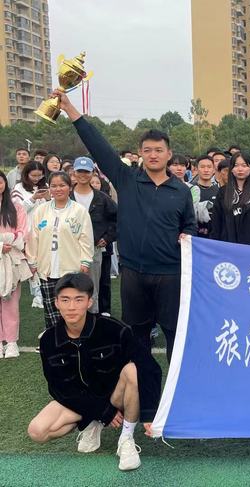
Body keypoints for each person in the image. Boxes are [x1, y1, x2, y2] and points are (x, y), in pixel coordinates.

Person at [54, 88, 196, 371]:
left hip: (170, 274)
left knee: (174, 333)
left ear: (169, 154)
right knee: (137, 335)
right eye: (148, 150)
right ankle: (143, 389)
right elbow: (98, 145)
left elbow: (189, 224)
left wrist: (187, 234)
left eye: (159, 150)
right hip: (133, 273)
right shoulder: (126, 179)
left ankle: (175, 390)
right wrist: (70, 109)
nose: (153, 155)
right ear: (140, 153)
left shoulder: (181, 191)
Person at [28, 273, 145, 471]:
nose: (71, 307)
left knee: (133, 370)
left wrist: (149, 413)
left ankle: (126, 439)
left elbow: (147, 366)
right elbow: (57, 389)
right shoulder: (48, 339)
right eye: (65, 300)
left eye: (78, 299)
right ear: (56, 303)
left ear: (89, 302)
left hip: (115, 396)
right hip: (83, 401)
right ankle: (92, 423)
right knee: (37, 431)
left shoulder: (112, 328)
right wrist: (100, 412)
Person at [26, 171, 94, 330]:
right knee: (51, 310)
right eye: (54, 186)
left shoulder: (79, 211)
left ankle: (75, 339)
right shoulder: (41, 210)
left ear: (70, 187)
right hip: (46, 269)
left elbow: (86, 238)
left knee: (72, 310)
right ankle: (54, 340)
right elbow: (33, 238)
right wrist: (32, 261)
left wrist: (85, 261)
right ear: (49, 188)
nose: (58, 189)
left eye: (62, 185)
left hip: (71, 269)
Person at [70, 157, 118, 316]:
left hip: (94, 250)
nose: (83, 175)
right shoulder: (67, 196)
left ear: (93, 173)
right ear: (74, 173)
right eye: (79, 171)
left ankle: (93, 319)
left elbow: (118, 219)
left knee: (93, 287)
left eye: (87, 171)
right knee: (69, 287)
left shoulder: (102, 198)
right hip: (69, 249)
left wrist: (107, 237)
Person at [10, 161, 50, 309]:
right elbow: (17, 210)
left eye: (40, 175)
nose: (37, 178)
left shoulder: (45, 186)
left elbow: (53, 207)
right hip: (27, 231)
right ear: (26, 174)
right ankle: (37, 295)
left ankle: (43, 292)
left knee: (43, 262)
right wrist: (33, 198)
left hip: (45, 231)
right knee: (31, 264)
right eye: (34, 175)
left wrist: (48, 198)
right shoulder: (18, 188)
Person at [0, 170, 30, 358]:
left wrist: (9, 240)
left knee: (10, 301)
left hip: (12, 259)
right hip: (4, 251)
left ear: (5, 183)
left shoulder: (15, 207)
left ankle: (11, 342)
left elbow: (23, 232)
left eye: (0, 182)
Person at [192, 155, 219, 237]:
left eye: (209, 167)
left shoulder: (219, 191)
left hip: (214, 236)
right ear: (196, 169)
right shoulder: (190, 190)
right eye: (202, 167)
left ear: (214, 170)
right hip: (194, 236)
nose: (206, 170)